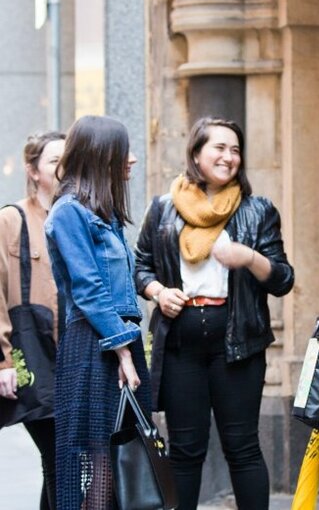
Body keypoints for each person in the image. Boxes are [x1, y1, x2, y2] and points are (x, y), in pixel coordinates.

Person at [134, 117, 294, 510]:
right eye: (219, 148)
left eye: (235, 149)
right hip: (180, 345)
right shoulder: (164, 208)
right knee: (185, 451)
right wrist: (157, 292)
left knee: (242, 447)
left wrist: (249, 258)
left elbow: (283, 279)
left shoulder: (257, 210)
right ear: (196, 153)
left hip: (237, 344)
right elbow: (140, 266)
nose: (228, 157)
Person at [44, 116, 146, 509]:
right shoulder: (69, 212)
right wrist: (122, 351)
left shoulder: (104, 212)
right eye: (125, 151)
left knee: (113, 457)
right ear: (102, 156)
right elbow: (88, 288)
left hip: (116, 338)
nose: (132, 159)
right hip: (94, 343)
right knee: (97, 459)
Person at [0, 131, 65, 510]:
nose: (64, 168)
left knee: (60, 461)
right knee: (57, 454)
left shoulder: (76, 215)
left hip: (72, 354)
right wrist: (3, 359)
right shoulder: (11, 219)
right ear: (33, 169)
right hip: (31, 354)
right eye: (55, 161)